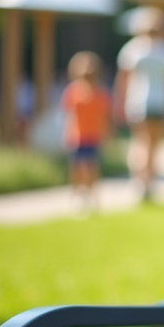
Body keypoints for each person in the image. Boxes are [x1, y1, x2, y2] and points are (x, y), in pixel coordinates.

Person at [114, 7, 164, 201]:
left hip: (138, 101)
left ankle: (141, 180)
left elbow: (123, 80)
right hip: (162, 101)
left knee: (141, 142)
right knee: (154, 144)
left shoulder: (133, 49)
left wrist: (119, 102)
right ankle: (149, 181)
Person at [60, 51, 112, 212]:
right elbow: (69, 116)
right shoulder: (72, 92)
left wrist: (106, 137)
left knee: (91, 168)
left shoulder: (101, 94)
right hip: (77, 137)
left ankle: (92, 197)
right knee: (76, 169)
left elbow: (104, 118)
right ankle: (76, 195)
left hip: (93, 137)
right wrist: (66, 134)